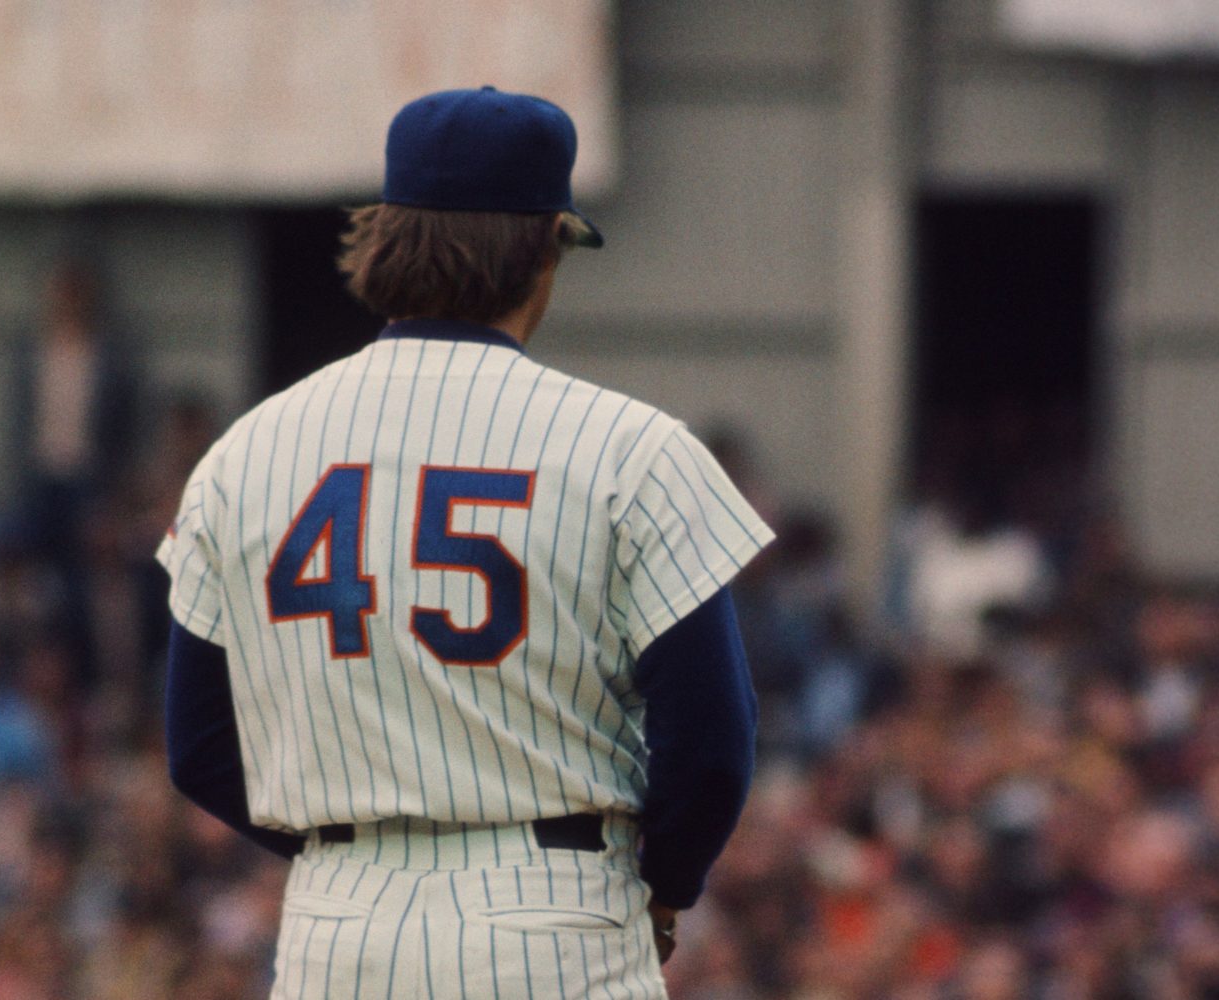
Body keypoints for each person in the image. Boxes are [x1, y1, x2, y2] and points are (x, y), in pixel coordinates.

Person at [156, 86, 773, 999]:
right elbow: (712, 745)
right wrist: (666, 884)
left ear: (385, 240)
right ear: (542, 253)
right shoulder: (630, 447)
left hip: (339, 924)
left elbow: (199, 745)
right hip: (552, 910)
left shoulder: (244, 452)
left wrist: (356, 843)